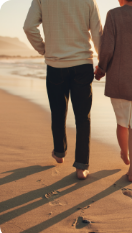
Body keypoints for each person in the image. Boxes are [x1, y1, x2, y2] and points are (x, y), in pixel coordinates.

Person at [23, 0, 102, 180]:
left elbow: (29, 27)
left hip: (55, 64)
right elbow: (97, 33)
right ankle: (81, 167)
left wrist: (44, 49)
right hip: (82, 64)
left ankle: (59, 153)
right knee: (83, 117)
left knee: (58, 112)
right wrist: (102, 64)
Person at [95, 0, 132, 182]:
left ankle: (124, 152)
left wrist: (101, 69)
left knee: (122, 122)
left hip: (119, 79)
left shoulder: (114, 14)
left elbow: (107, 48)